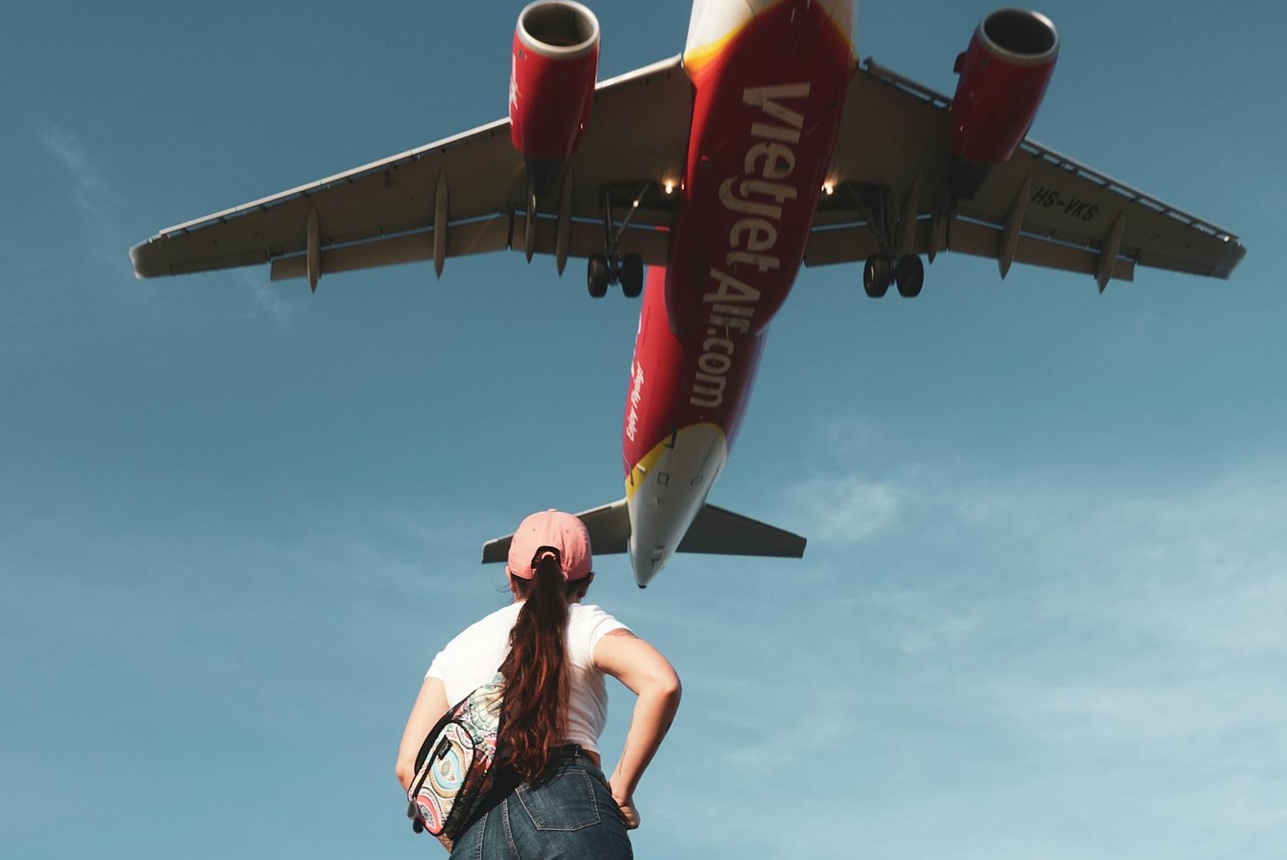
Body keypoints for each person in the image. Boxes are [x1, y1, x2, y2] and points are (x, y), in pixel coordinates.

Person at [396, 509, 681, 859]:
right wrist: (621, 790)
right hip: (567, 797)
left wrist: (462, 843)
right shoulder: (583, 622)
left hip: (475, 823)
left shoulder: (456, 649)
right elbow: (661, 683)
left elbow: (407, 766)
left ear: (510, 576)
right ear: (586, 582)